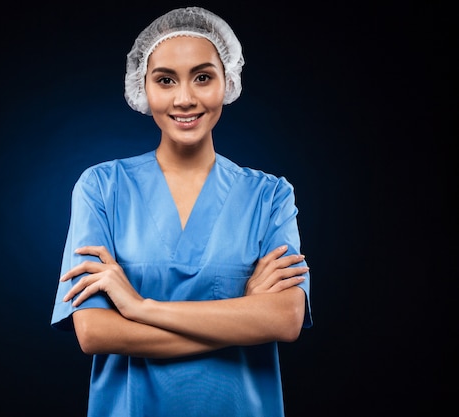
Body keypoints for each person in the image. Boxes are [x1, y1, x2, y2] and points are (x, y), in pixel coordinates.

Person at [51, 6, 312, 417]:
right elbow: (94, 331)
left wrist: (140, 308)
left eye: (203, 77)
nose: (185, 98)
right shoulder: (102, 188)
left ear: (228, 81)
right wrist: (243, 316)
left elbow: (285, 319)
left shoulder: (270, 197)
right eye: (165, 80)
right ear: (143, 86)